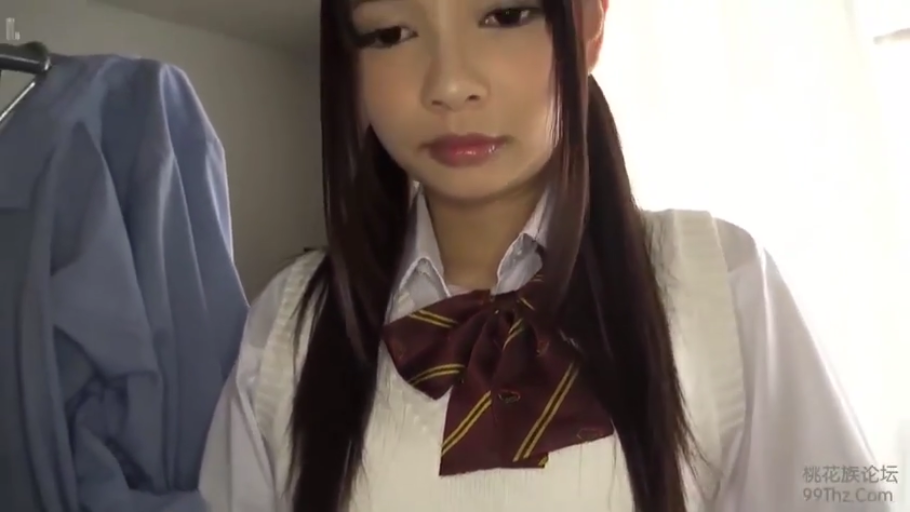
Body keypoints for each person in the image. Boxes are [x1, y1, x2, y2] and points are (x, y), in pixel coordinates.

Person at [198, 0, 889, 510]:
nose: (450, 84)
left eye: (504, 15)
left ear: (587, 24)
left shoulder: (720, 280)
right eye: (391, 33)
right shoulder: (289, 327)